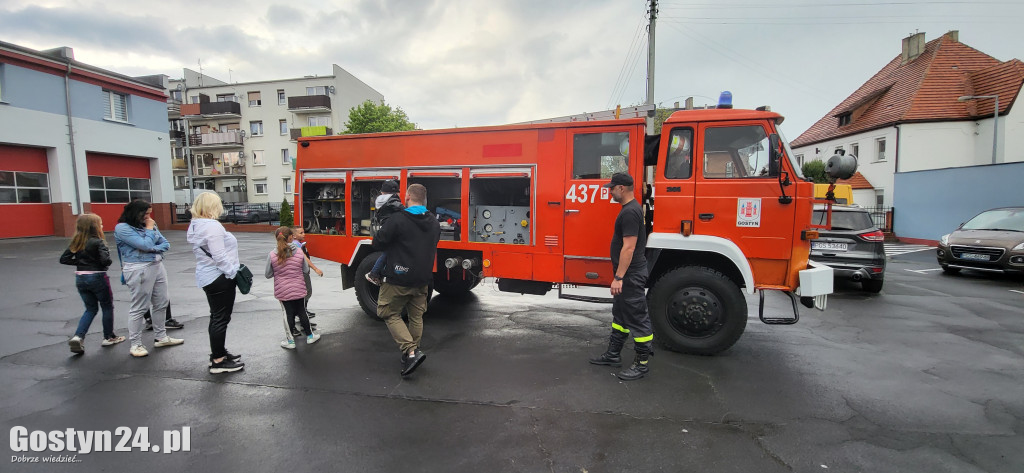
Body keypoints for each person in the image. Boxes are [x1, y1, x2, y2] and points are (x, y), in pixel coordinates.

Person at [589, 173, 653, 380]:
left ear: (622, 189)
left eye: (612, 188)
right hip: (629, 274)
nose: (609, 191)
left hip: (630, 276)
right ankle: (613, 355)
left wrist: (619, 277)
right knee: (621, 316)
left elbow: (629, 248)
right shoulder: (630, 210)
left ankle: (641, 364)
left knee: (637, 317)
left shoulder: (630, 212)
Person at [372, 183, 440, 376]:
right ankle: (410, 354)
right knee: (416, 317)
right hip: (423, 279)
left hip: (398, 278)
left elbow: (378, 242)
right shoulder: (434, 222)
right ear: (424, 198)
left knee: (386, 311)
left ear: (408, 196)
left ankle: (411, 351)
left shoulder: (398, 219)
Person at [115, 200, 183, 358]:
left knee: (162, 302)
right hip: (138, 268)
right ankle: (136, 344)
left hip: (157, 265)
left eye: (149, 213)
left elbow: (164, 243)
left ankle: (161, 336)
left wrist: (151, 245)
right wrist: (150, 232)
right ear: (134, 212)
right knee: (139, 306)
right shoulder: (123, 228)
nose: (148, 217)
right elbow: (144, 244)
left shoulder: (149, 225)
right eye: (144, 213)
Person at [186, 191, 245, 374]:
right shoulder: (212, 226)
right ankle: (218, 362)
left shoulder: (195, 225)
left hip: (207, 276)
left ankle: (218, 353)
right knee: (221, 318)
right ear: (213, 206)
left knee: (216, 317)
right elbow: (219, 255)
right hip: (219, 277)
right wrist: (232, 273)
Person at [60, 213, 125, 354]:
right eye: (100, 224)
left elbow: (64, 259)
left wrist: (80, 263)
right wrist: (100, 262)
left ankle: (79, 336)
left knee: (90, 309)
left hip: (80, 278)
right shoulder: (98, 242)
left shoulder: (76, 242)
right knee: (107, 306)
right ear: (94, 227)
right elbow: (105, 260)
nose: (102, 226)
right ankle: (109, 336)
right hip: (97, 277)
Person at [266, 226, 319, 349]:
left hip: (282, 290)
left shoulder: (272, 254)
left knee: (288, 314)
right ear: (291, 237)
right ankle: (310, 336)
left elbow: (268, 274)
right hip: (299, 287)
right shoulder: (299, 252)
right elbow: (305, 270)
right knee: (302, 311)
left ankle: (290, 341)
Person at [365, 179, 404, 285]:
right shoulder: (392, 201)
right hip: (392, 230)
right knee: (388, 252)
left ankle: (377, 273)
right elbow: (402, 209)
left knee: (388, 252)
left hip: (385, 228)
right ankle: (374, 273)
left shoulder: (381, 200)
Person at [290, 227, 322, 337]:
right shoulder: (296, 245)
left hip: (303, 273)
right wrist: (315, 269)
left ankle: (303, 318)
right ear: (293, 235)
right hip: (302, 274)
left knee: (304, 296)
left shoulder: (298, 244)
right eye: (301, 232)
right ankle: (302, 321)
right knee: (305, 294)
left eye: (304, 232)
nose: (304, 234)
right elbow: (305, 259)